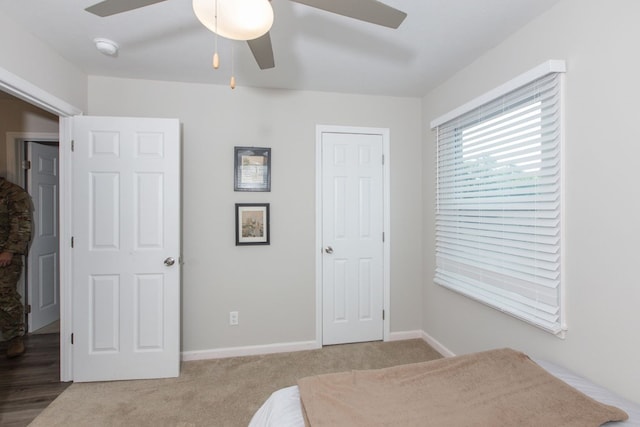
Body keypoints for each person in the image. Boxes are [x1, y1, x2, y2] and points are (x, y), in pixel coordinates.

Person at [0, 176, 32, 358]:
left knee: (5, 295)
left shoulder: (13, 192)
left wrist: (10, 251)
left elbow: (21, 224)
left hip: (5, 255)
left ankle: (14, 338)